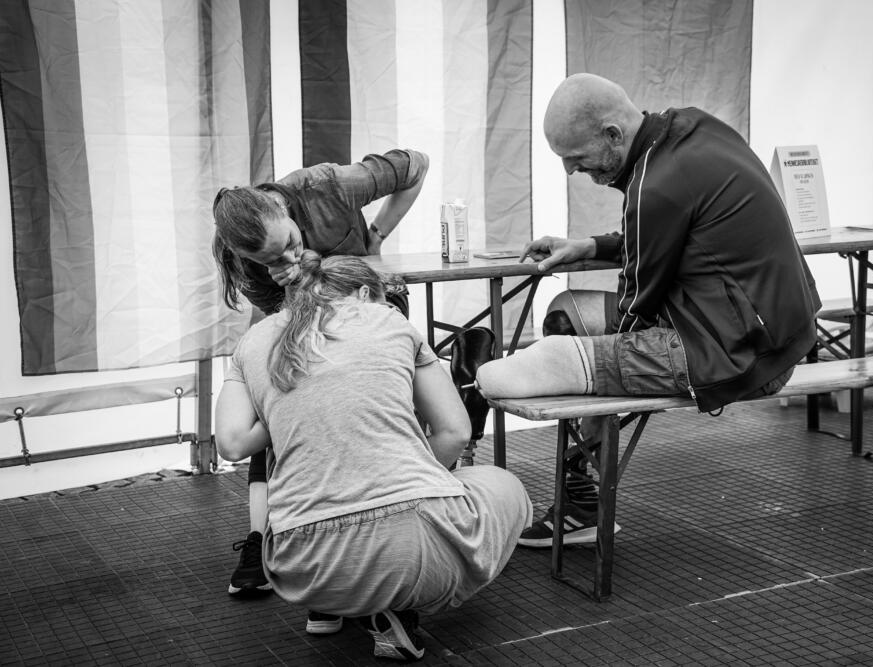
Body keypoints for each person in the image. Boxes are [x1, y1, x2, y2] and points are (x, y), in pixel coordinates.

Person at [475, 73, 821, 547]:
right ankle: (584, 501)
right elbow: (676, 234)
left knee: (519, 366)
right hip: (781, 332)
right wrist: (590, 246)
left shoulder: (652, 185)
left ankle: (508, 398)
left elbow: (636, 307)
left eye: (577, 159)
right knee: (567, 314)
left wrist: (585, 356)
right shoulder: (696, 129)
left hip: (744, 356)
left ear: (613, 135)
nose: (573, 172)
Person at [214, 253, 531, 661]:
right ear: (366, 294)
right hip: (414, 550)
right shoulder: (390, 323)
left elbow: (233, 445)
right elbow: (455, 434)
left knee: (308, 470)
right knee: (506, 487)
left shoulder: (253, 342)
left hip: (300, 564)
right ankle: (395, 597)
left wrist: (283, 404)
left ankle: (342, 601)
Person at [212, 148, 427, 605]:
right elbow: (278, 319)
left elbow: (416, 165)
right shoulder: (244, 262)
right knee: (282, 402)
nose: (290, 254)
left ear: (279, 207)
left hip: (368, 312)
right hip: (299, 324)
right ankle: (262, 539)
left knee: (365, 405)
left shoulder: (328, 185)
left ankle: (396, 513)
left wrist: (375, 237)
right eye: (274, 257)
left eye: (289, 240)